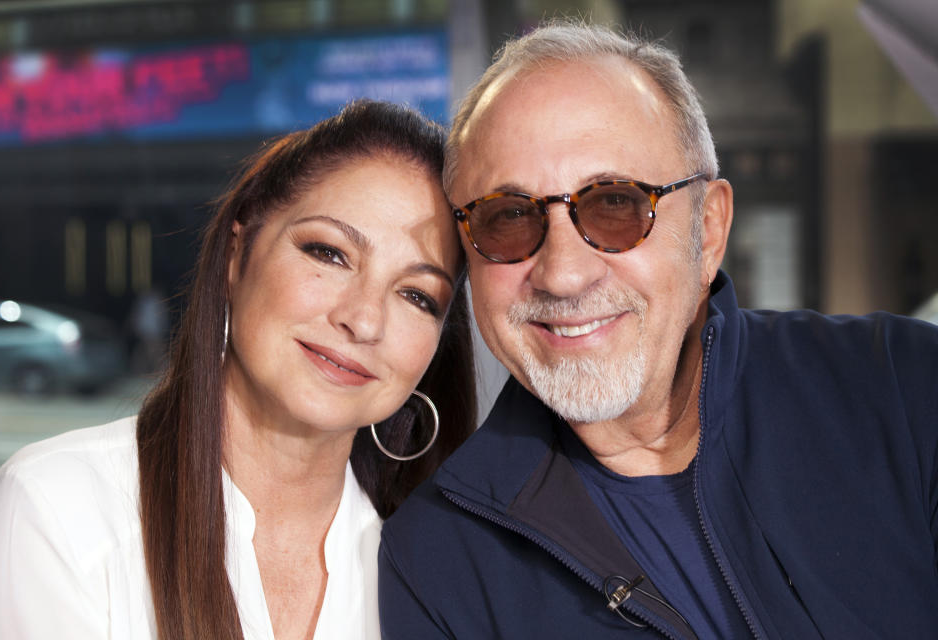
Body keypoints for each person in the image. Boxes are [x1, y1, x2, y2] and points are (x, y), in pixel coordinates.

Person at [378, 21, 938, 639]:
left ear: (710, 230)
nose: (563, 275)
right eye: (507, 218)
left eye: (616, 204)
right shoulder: (438, 560)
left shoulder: (905, 390)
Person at [0, 99, 477, 640]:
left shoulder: (432, 574)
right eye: (329, 253)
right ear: (238, 257)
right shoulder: (58, 507)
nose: (363, 319)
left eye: (417, 296)